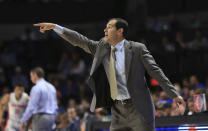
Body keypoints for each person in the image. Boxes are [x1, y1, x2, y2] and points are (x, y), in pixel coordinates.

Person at [34, 18, 186, 131]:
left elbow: (156, 71)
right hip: (117, 110)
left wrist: (174, 95)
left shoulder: (138, 49)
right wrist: (55, 27)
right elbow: (80, 41)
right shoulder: (102, 47)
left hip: (138, 109)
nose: (105, 30)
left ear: (120, 31)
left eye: (109, 27)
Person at [20, 67, 58, 131]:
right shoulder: (52, 87)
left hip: (40, 117)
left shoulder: (36, 88)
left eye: (31, 76)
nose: (31, 78)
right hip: (51, 117)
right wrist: (53, 116)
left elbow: (31, 106)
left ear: (35, 75)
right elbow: (55, 106)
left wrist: (24, 119)